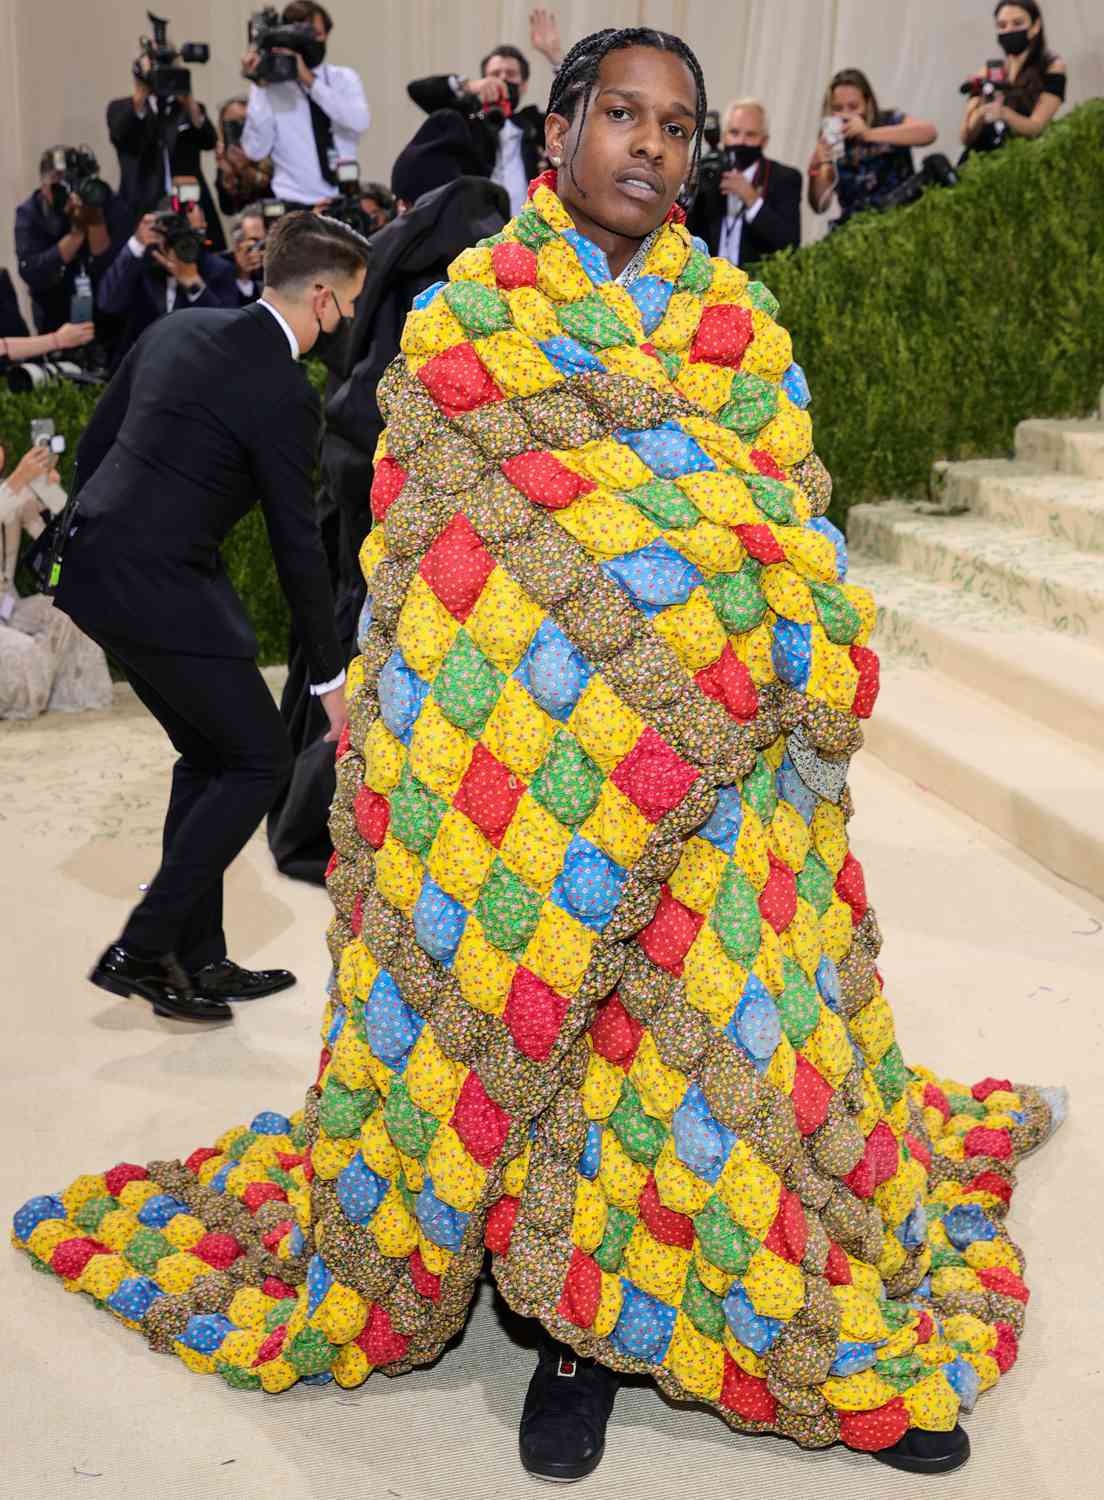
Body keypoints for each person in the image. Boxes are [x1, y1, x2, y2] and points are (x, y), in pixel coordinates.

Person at [12, 23, 1066, 1492]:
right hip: (529, 778)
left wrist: (730, 655)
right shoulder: (470, 324)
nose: (650, 144)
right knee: (546, 989)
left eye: (679, 127)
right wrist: (582, 714)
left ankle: (733, 1304)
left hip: (715, 784)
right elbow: (437, 563)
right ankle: (568, 1328)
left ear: (700, 158)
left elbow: (785, 538)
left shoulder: (737, 332)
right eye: (621, 114)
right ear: (560, 130)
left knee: (708, 1013)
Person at [50, 211, 369, 1024]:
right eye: (352, 305)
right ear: (324, 299)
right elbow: (301, 550)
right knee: (259, 760)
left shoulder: (180, 327)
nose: (351, 324)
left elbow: (96, 445)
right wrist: (333, 678)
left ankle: (197, 961)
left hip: (93, 569)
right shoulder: (284, 394)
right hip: (154, 582)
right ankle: (148, 944)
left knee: (210, 751)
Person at [267, 119, 509, 883]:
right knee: (389, 647)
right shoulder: (479, 240)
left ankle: (295, 802)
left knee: (346, 631)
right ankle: (320, 820)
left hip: (352, 459)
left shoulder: (402, 242)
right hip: (404, 471)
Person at [406, 8, 564, 215]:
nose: (502, 79)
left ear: (524, 85)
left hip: (528, 235)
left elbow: (576, 107)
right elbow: (417, 90)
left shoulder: (535, 124)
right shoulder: (464, 120)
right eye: (495, 73)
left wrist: (556, 57)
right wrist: (468, 86)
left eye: (511, 74)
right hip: (473, 232)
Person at [0, 442, 112, 720]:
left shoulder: (13, 491)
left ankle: (70, 699)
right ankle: (24, 702)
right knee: (23, 652)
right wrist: (18, 480)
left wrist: (45, 486)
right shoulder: (10, 489)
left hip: (8, 607)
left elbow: (52, 533)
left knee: (68, 610)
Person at [240, 2, 370, 212]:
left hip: (343, 200)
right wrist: (260, 85)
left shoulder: (343, 78)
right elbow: (255, 151)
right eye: (301, 34)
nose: (310, 41)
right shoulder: (271, 88)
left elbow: (359, 122)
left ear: (327, 35)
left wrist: (310, 81)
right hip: (293, 206)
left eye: (316, 33)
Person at [96, 188, 241, 369]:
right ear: (160, 229)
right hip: (141, 373)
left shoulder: (218, 269)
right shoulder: (142, 265)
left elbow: (229, 334)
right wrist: (136, 243)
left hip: (197, 374)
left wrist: (194, 283)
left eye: (195, 233)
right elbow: (108, 303)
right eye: (180, 232)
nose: (187, 241)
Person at [14, 148, 133, 345]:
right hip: (54, 314)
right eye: (59, 184)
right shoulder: (31, 213)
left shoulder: (106, 201)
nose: (71, 192)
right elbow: (32, 271)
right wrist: (76, 233)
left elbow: (115, 267)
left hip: (107, 316)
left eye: (77, 182)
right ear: (44, 185)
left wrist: (94, 218)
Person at [107, 53, 225, 251]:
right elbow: (120, 135)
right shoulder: (121, 108)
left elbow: (209, 141)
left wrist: (188, 99)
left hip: (189, 204)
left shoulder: (188, 109)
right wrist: (141, 94)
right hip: (141, 206)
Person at [808, 69, 937, 226]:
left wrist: (868, 134)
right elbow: (820, 205)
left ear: (868, 103)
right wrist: (818, 168)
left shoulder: (888, 120)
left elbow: (929, 133)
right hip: (856, 230)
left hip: (901, 218)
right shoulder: (832, 140)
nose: (845, 114)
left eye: (853, 106)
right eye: (838, 108)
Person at [687, 98, 800, 266]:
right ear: (724, 137)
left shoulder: (784, 178)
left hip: (757, 284)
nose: (741, 141)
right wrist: (686, 189)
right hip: (705, 280)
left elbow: (789, 245)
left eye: (750, 135)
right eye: (734, 133)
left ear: (764, 141)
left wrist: (752, 200)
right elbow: (683, 233)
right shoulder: (708, 172)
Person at [961, 2, 1067, 155]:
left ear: (1035, 26)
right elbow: (965, 137)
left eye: (1017, 23)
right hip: (979, 158)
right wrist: (979, 114)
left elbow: (1037, 126)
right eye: (1002, 25)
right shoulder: (990, 69)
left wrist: (1004, 114)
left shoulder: (1052, 66)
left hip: (1019, 158)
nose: (1009, 30)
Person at [215, 97, 274, 216]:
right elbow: (228, 209)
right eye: (231, 125)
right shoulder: (226, 157)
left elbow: (277, 196)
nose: (238, 129)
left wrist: (246, 170)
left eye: (243, 122)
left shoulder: (270, 148)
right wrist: (228, 177)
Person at [223, 205, 267, 304]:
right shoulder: (221, 270)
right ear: (237, 244)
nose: (261, 250)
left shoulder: (277, 265)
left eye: (264, 243)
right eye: (256, 242)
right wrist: (243, 274)